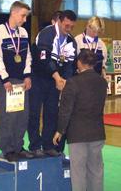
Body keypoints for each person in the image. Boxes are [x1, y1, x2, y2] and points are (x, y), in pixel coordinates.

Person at [53, 49, 107, 191]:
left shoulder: (72, 82)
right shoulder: (102, 82)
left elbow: (65, 110)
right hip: (97, 132)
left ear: (79, 63)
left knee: (78, 173)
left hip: (78, 134)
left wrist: (59, 130)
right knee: (96, 171)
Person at [28, 10, 77, 157]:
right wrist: (57, 77)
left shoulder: (71, 41)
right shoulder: (46, 34)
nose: (69, 29)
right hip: (38, 78)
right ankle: (35, 145)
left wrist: (64, 80)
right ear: (59, 21)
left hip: (55, 82)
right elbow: (44, 59)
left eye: (72, 27)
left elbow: (70, 65)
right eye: (67, 25)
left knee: (52, 113)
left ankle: (48, 145)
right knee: (34, 113)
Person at [0, 1, 34, 162]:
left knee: (23, 115)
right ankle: (7, 149)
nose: (24, 20)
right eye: (23, 16)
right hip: (7, 81)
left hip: (22, 81)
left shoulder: (23, 32)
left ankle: (18, 146)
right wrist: (5, 78)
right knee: (9, 116)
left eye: (26, 16)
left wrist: (28, 75)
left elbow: (28, 55)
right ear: (13, 13)